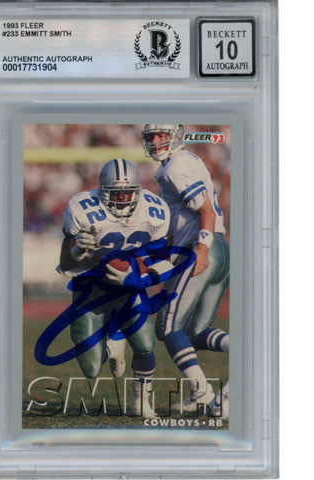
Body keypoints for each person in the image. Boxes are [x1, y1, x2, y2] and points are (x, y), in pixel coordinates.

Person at [58, 158, 171, 418]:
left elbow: (164, 261)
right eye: (116, 194)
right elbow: (65, 263)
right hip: (91, 288)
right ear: (102, 191)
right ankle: (113, 343)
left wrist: (140, 280)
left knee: (146, 344)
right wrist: (77, 251)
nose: (122, 199)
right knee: (91, 370)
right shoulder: (81, 207)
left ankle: (140, 402)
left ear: (137, 190)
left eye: (127, 193)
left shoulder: (154, 210)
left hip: (128, 287)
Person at [142, 124, 230, 416]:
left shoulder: (174, 167)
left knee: (167, 327)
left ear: (175, 136)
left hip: (201, 248)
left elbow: (206, 211)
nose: (156, 141)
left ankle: (202, 392)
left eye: (162, 135)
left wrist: (201, 248)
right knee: (193, 331)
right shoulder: (185, 160)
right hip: (220, 248)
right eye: (151, 136)